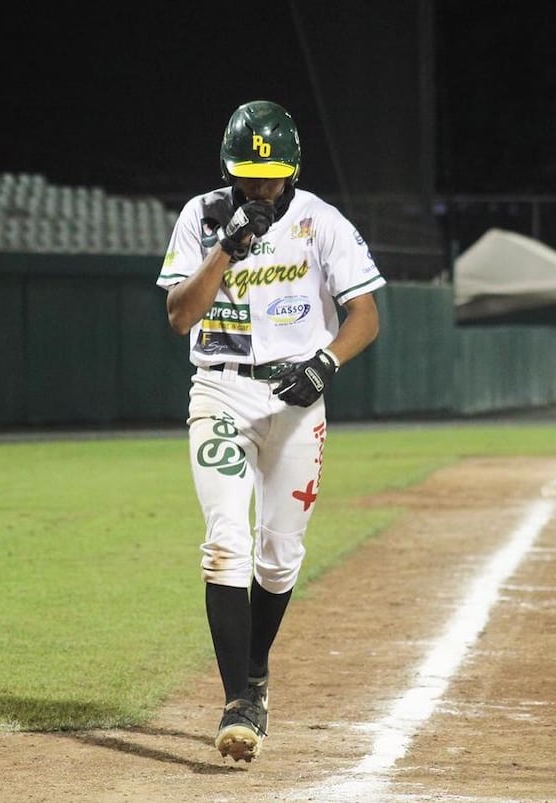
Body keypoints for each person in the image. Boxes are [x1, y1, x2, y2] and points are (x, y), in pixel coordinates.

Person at [157, 99, 385, 762]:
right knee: (224, 540)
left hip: (294, 395)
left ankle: (255, 668)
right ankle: (239, 701)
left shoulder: (320, 221)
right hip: (221, 388)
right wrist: (229, 245)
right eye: (251, 175)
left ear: (293, 170)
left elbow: (365, 314)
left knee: (279, 556)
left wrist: (327, 361)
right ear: (230, 171)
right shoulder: (202, 217)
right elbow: (179, 316)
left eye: (275, 175)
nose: (264, 187)